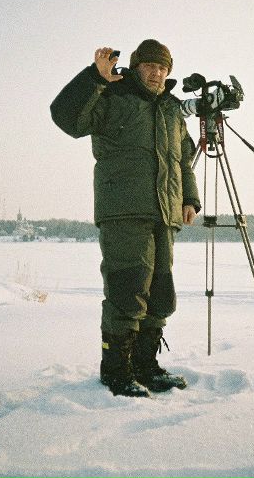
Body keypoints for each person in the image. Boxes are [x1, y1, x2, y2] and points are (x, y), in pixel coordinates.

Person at [50, 39, 201, 398]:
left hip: (165, 213)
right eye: (149, 66)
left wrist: (190, 199)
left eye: (163, 68)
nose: (156, 72)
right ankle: (116, 371)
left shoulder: (170, 110)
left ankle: (146, 366)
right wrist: (94, 78)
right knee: (127, 290)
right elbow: (66, 117)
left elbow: (183, 159)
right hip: (124, 210)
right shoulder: (113, 97)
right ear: (136, 67)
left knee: (160, 295)